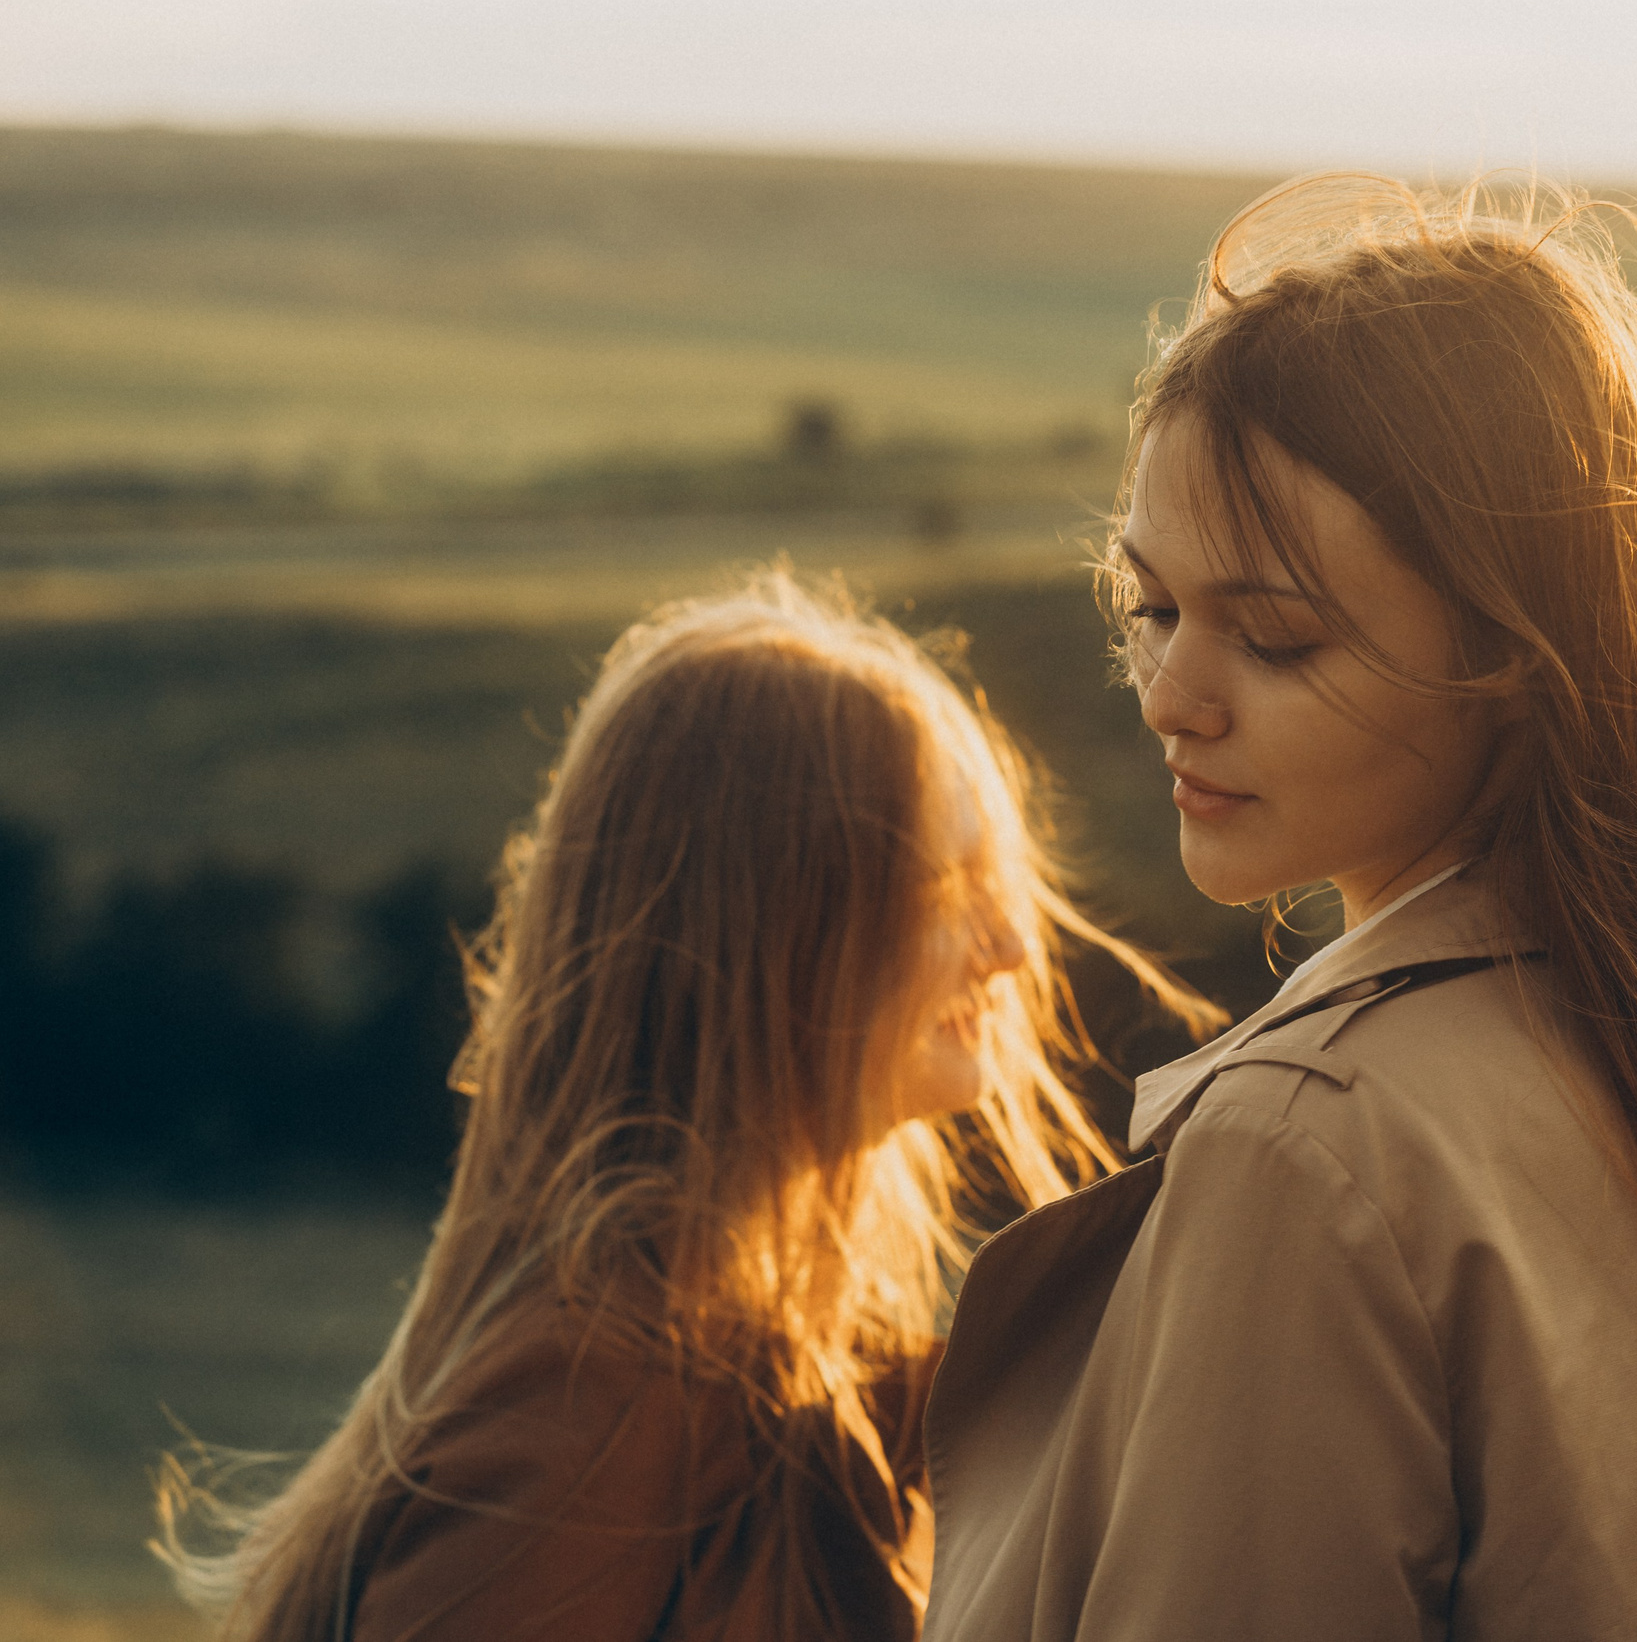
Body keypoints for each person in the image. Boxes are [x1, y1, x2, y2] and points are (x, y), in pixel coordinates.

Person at [919, 175, 1637, 1642]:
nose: (1170, 697)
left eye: (1273, 636)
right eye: (1151, 608)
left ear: (1519, 649)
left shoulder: (1304, 1148)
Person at [158, 572, 1206, 1642]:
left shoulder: (794, 1377)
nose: (1012, 947)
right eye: (947, 889)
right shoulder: (590, 1406)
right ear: (764, 928)